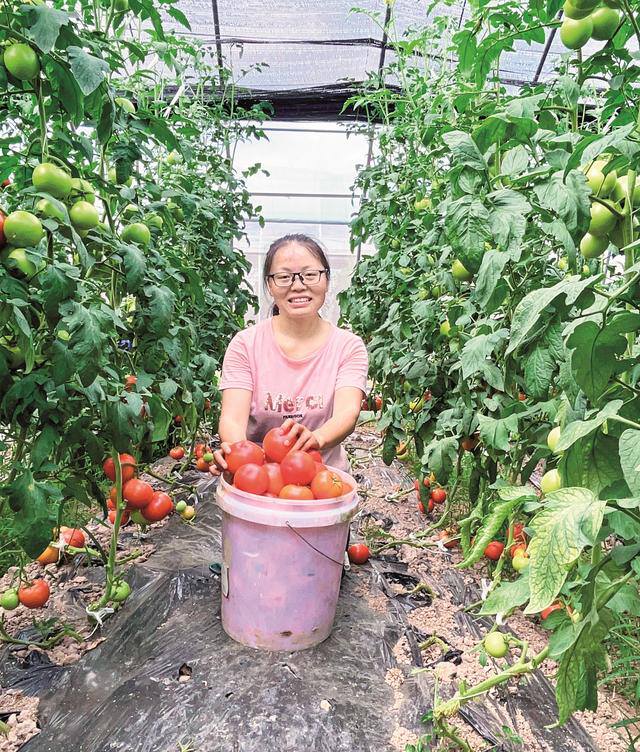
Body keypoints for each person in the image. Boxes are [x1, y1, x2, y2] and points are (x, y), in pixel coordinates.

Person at [212, 233, 368, 476]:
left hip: (324, 480)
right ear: (269, 285)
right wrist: (239, 455)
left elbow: (348, 413)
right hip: (260, 479)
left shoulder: (348, 347)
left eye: (310, 274)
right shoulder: (245, 345)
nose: (297, 285)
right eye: (284, 277)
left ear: (327, 279)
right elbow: (232, 419)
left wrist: (316, 438)